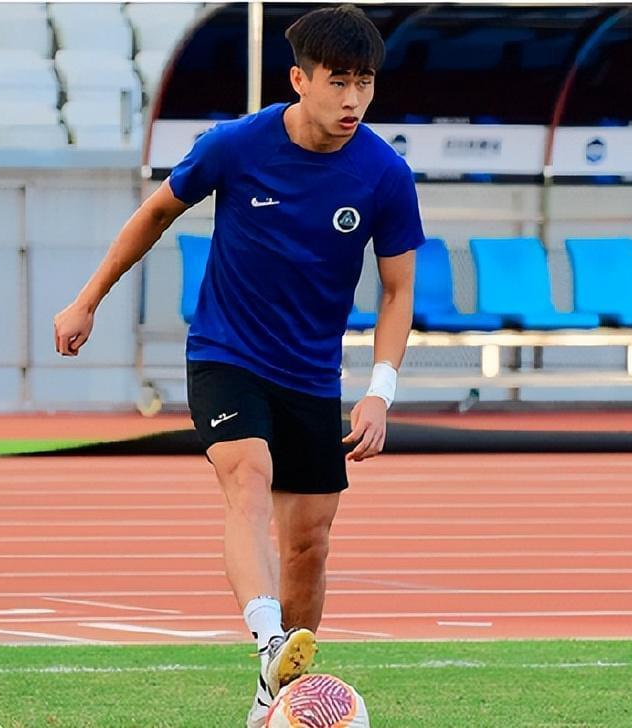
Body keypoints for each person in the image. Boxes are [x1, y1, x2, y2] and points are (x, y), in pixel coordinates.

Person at [53, 6, 422, 725]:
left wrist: (381, 390)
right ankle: (267, 638)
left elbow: (397, 290)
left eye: (365, 83)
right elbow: (154, 215)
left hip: (312, 374)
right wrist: (86, 301)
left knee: (309, 544)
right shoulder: (236, 144)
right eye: (338, 82)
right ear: (299, 80)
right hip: (227, 354)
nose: (353, 99)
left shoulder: (384, 174)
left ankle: (273, 696)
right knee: (247, 481)